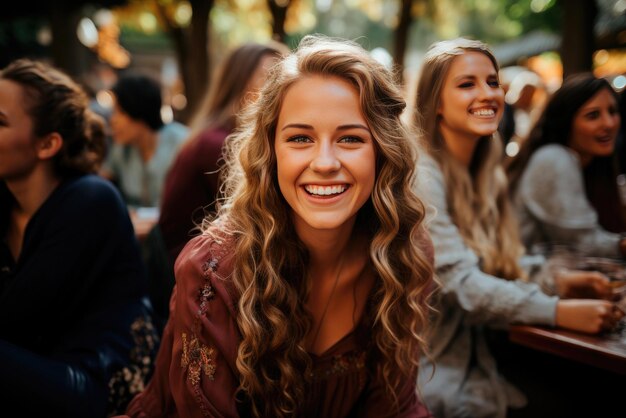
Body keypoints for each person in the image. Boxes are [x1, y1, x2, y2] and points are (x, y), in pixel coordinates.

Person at [124, 35, 435, 417]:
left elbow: (394, 407)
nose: (324, 162)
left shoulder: (402, 250)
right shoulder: (213, 271)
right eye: (300, 138)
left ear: (383, 153)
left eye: (351, 138)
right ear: (271, 153)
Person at [413, 38, 622, 418]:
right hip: (433, 374)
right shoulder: (423, 177)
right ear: (435, 103)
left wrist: (558, 281)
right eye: (467, 84)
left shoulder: (483, 172)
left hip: (485, 356)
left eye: (492, 82)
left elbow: (498, 264)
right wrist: (557, 309)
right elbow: (463, 286)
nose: (487, 93)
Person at [0, 59, 159, 416]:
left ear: (47, 144)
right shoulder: (7, 204)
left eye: (0, 122)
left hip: (101, 379)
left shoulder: (90, 200)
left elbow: (16, 318)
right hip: (34, 366)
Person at [507, 73, 624, 257]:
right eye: (593, 115)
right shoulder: (554, 158)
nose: (608, 123)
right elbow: (583, 243)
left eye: (612, 111)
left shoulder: (591, 163)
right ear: (566, 121)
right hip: (525, 281)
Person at [100, 73, 188, 208]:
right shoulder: (121, 149)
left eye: (119, 112)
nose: (112, 120)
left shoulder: (182, 142)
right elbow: (100, 183)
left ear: (138, 110)